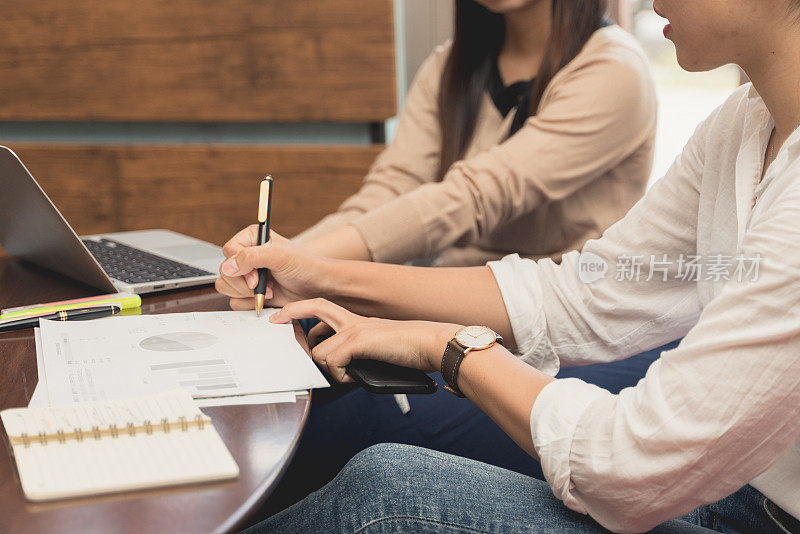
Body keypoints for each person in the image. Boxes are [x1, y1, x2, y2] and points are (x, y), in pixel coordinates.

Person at [218, 0, 800, 530]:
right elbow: (582, 290)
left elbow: (630, 465)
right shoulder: (741, 125)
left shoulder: (613, 69)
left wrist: (450, 347)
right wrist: (309, 272)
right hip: (740, 489)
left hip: (750, 501)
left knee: (385, 490)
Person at [295, 0, 656, 267]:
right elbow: (389, 190)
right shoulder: (449, 66)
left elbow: (478, 196)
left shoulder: (613, 68)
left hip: (560, 310)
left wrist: (305, 263)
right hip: (449, 297)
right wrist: (271, 258)